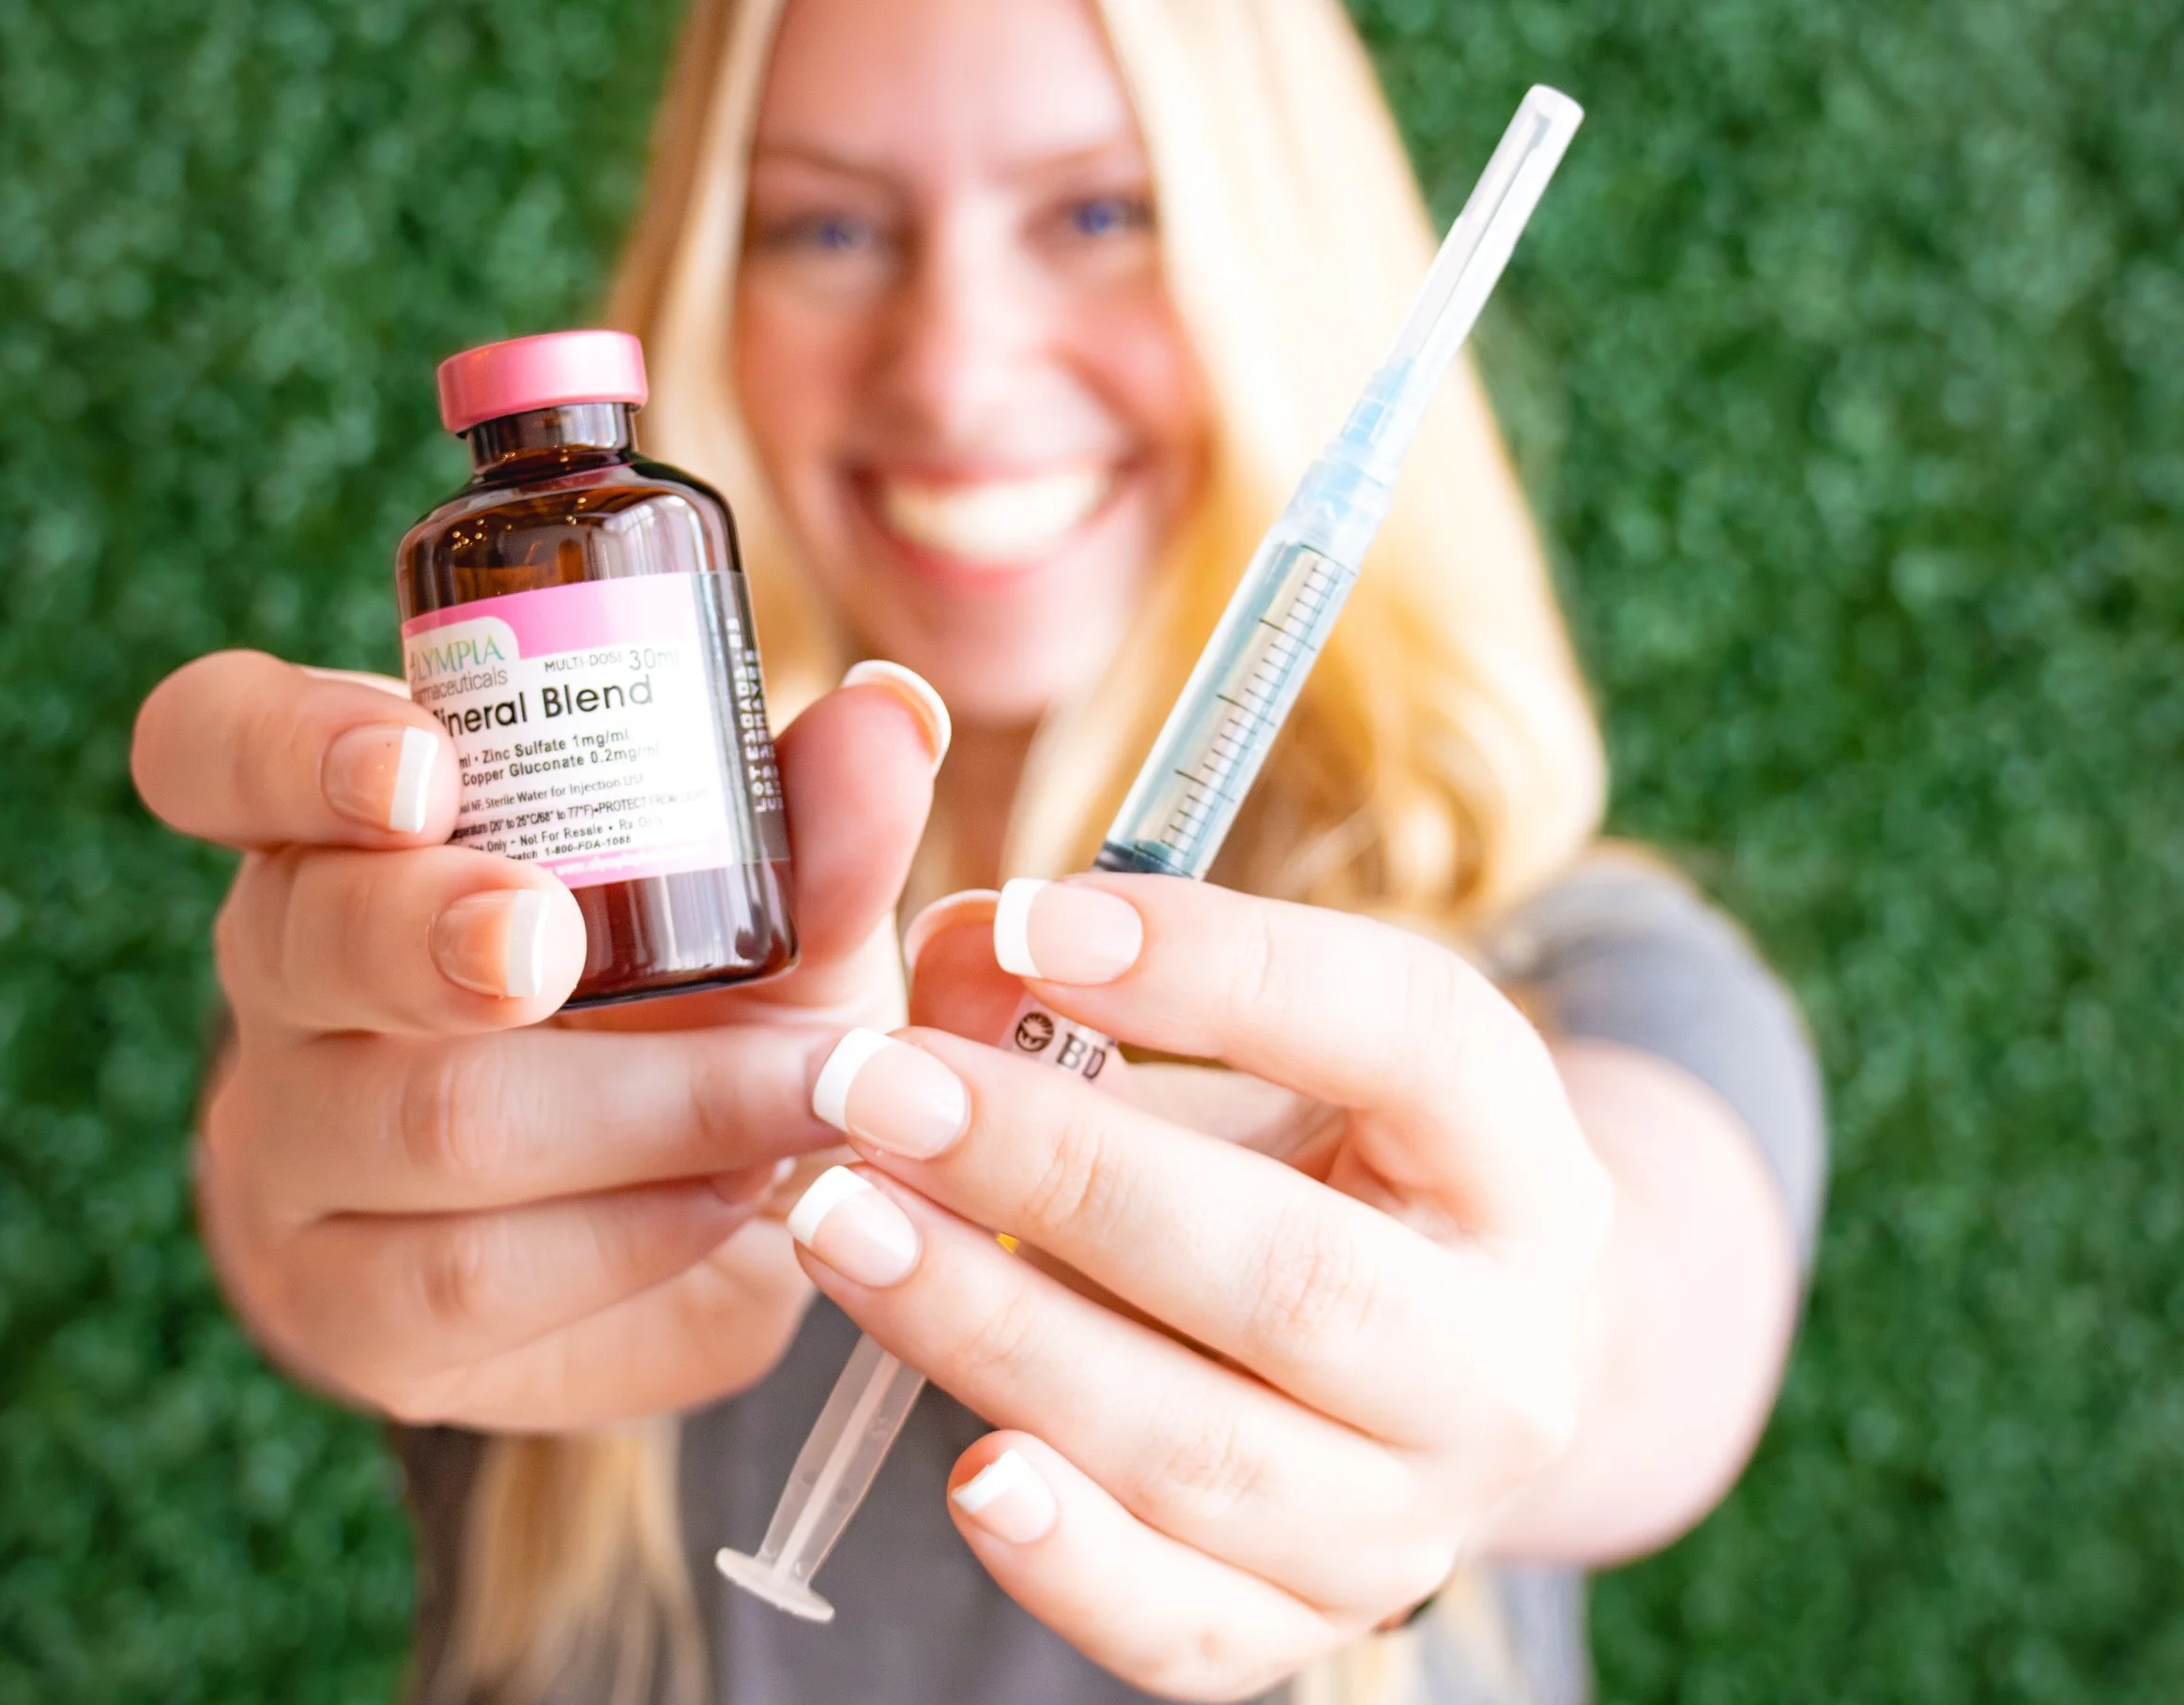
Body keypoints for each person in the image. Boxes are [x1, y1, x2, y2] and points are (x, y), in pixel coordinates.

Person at [130, 0, 1825, 1700]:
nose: (952, 364)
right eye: (830, 226)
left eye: (1099, 213)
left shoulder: (1597, 978)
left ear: (1274, 248)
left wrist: (1500, 1356)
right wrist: (323, 1203)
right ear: (708, 285)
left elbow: (1635, 1335)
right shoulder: (554, 919)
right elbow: (297, 1202)